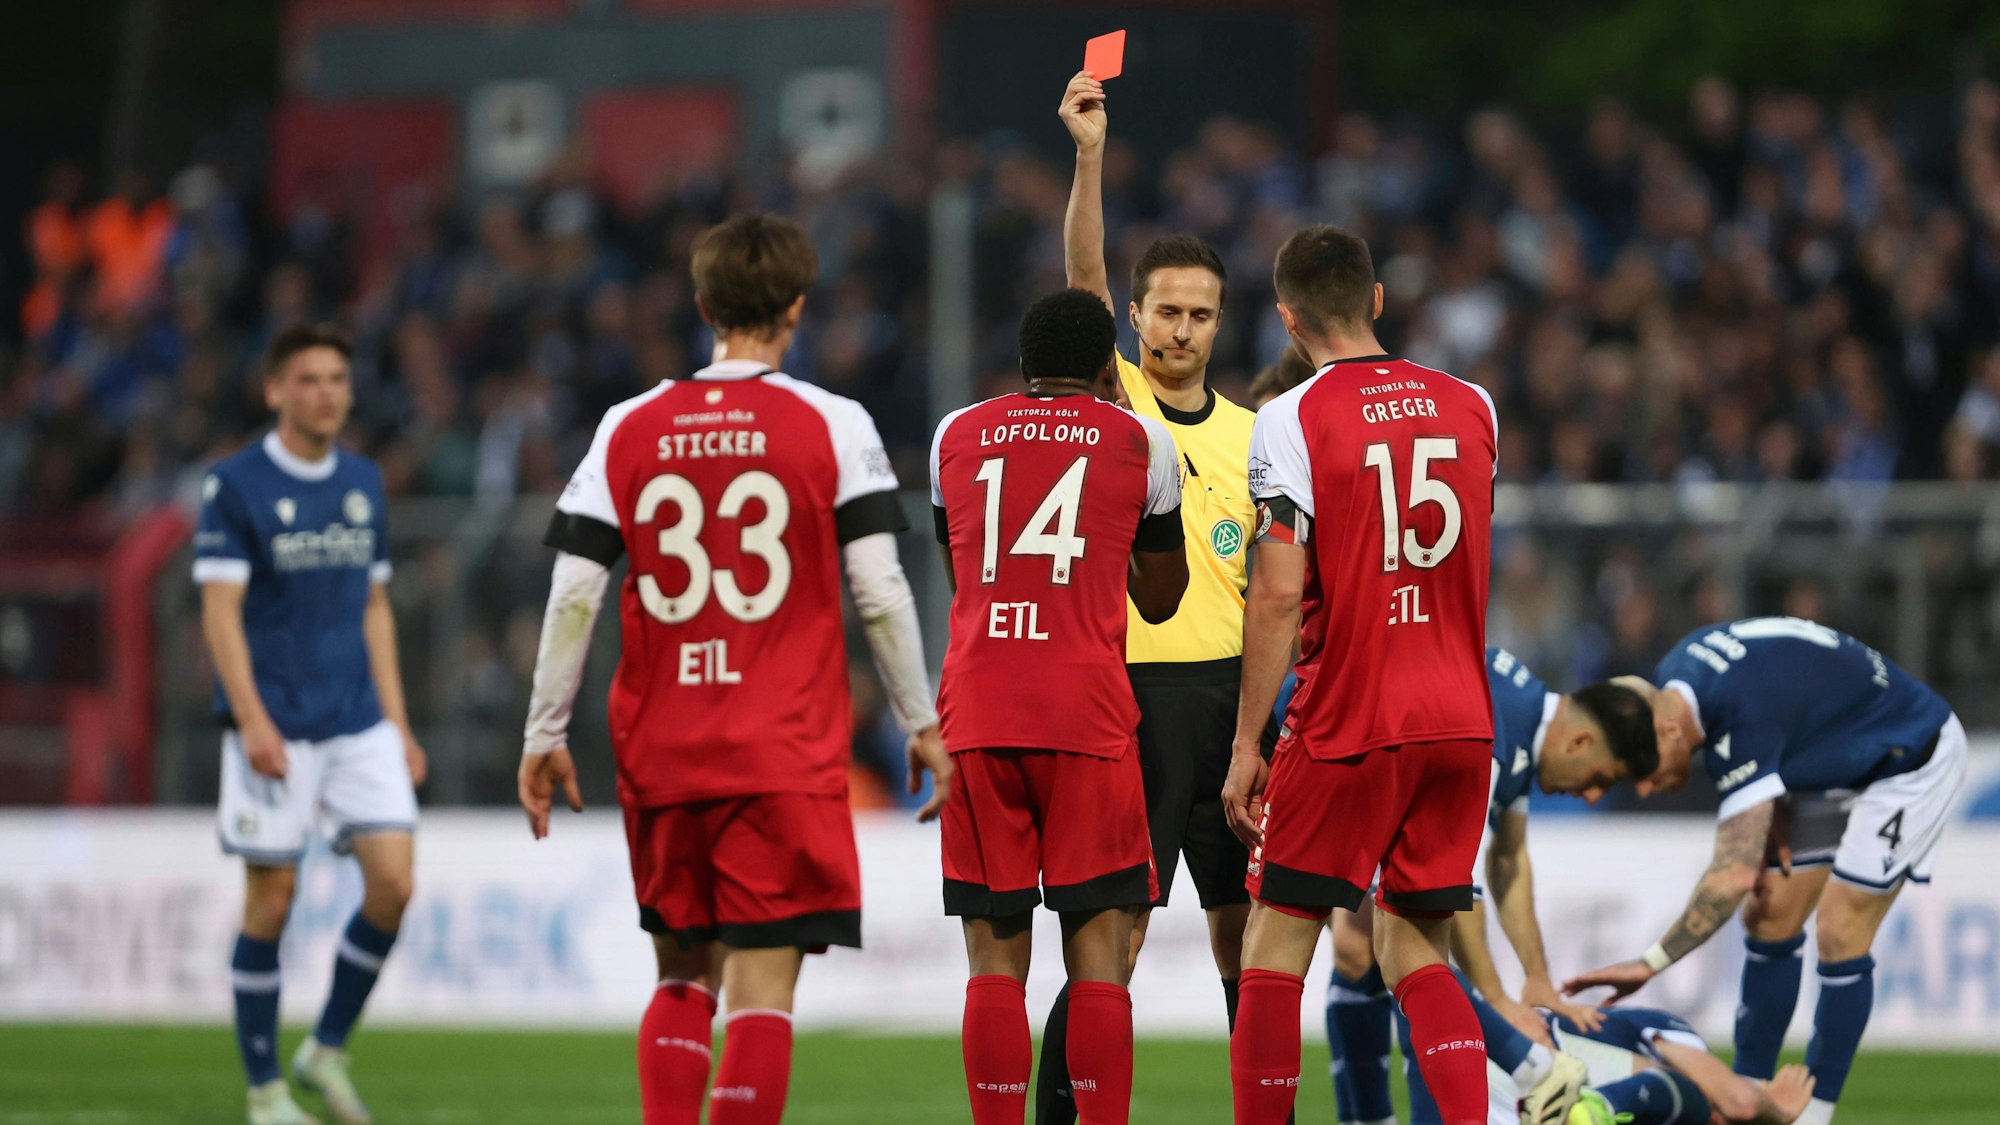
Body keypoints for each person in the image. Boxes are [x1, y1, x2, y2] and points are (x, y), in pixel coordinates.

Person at [516, 213, 949, 1125]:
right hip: (778, 746)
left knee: (680, 975)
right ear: (797, 307)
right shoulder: (833, 422)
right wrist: (919, 718)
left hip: (664, 745)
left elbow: (572, 592)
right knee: (761, 986)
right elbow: (879, 588)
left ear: (703, 303)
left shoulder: (628, 424)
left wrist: (545, 731)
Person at [1222, 224, 1499, 1125]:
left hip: (1351, 716)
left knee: (1274, 941)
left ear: (1287, 319)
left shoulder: (1289, 416)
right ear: (1377, 300)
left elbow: (1277, 587)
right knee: (1417, 945)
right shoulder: (1473, 404)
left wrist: (1246, 740)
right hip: (1460, 719)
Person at [1039, 70, 1268, 1125]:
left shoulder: (1256, 437)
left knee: (1246, 938)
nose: (1181, 331)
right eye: (1164, 312)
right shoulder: (1116, 400)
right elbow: (1080, 269)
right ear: (1132, 319)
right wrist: (1088, 156)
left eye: (1200, 315)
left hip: (1230, 705)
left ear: (1221, 324)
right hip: (1123, 699)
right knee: (1112, 942)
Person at [931, 288, 1189, 1125]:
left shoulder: (955, 434)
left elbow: (961, 574)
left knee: (993, 963)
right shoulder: (1141, 441)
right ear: (1107, 369)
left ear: (1023, 363)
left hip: (978, 707)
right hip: (1085, 713)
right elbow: (1161, 597)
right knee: (1099, 960)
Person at [1563, 616, 1968, 1125]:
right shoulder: (1682, 682)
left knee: (1841, 929)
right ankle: (1749, 1095)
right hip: (1833, 757)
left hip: (1908, 756)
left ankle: (1814, 1113)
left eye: (1645, 773)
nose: (1645, 788)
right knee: (1769, 911)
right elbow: (1789, 700)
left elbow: (1729, 875)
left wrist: (1651, 962)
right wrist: (1770, 797)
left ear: (1668, 729)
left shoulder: (1736, 710)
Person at [195, 323, 427, 1125]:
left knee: (395, 883)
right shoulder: (236, 485)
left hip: (357, 718)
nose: (325, 391)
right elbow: (219, 611)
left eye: (336, 377)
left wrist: (398, 722)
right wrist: (251, 718)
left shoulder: (362, 481)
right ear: (274, 390)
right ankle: (264, 1092)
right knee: (273, 899)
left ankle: (324, 1049)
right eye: (308, 379)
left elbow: (374, 606)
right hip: (278, 724)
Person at [1332, 648, 1661, 1125]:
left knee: (1366, 944)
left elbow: (1509, 856)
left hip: (1355, 749)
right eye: (1599, 779)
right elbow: (1459, 889)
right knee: (1408, 946)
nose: (1589, 796)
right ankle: (1532, 1070)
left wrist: (1536, 979)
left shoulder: (1521, 711)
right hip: (1311, 740)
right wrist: (1498, 1001)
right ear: (1582, 741)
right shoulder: (1493, 731)